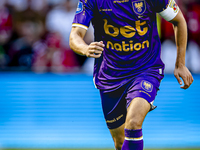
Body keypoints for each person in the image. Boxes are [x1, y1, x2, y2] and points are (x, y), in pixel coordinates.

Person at [69, 0, 194, 150]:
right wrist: (85, 48)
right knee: (120, 142)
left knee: (134, 123)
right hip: (110, 76)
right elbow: (75, 36)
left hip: (146, 70)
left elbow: (179, 20)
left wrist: (180, 64)